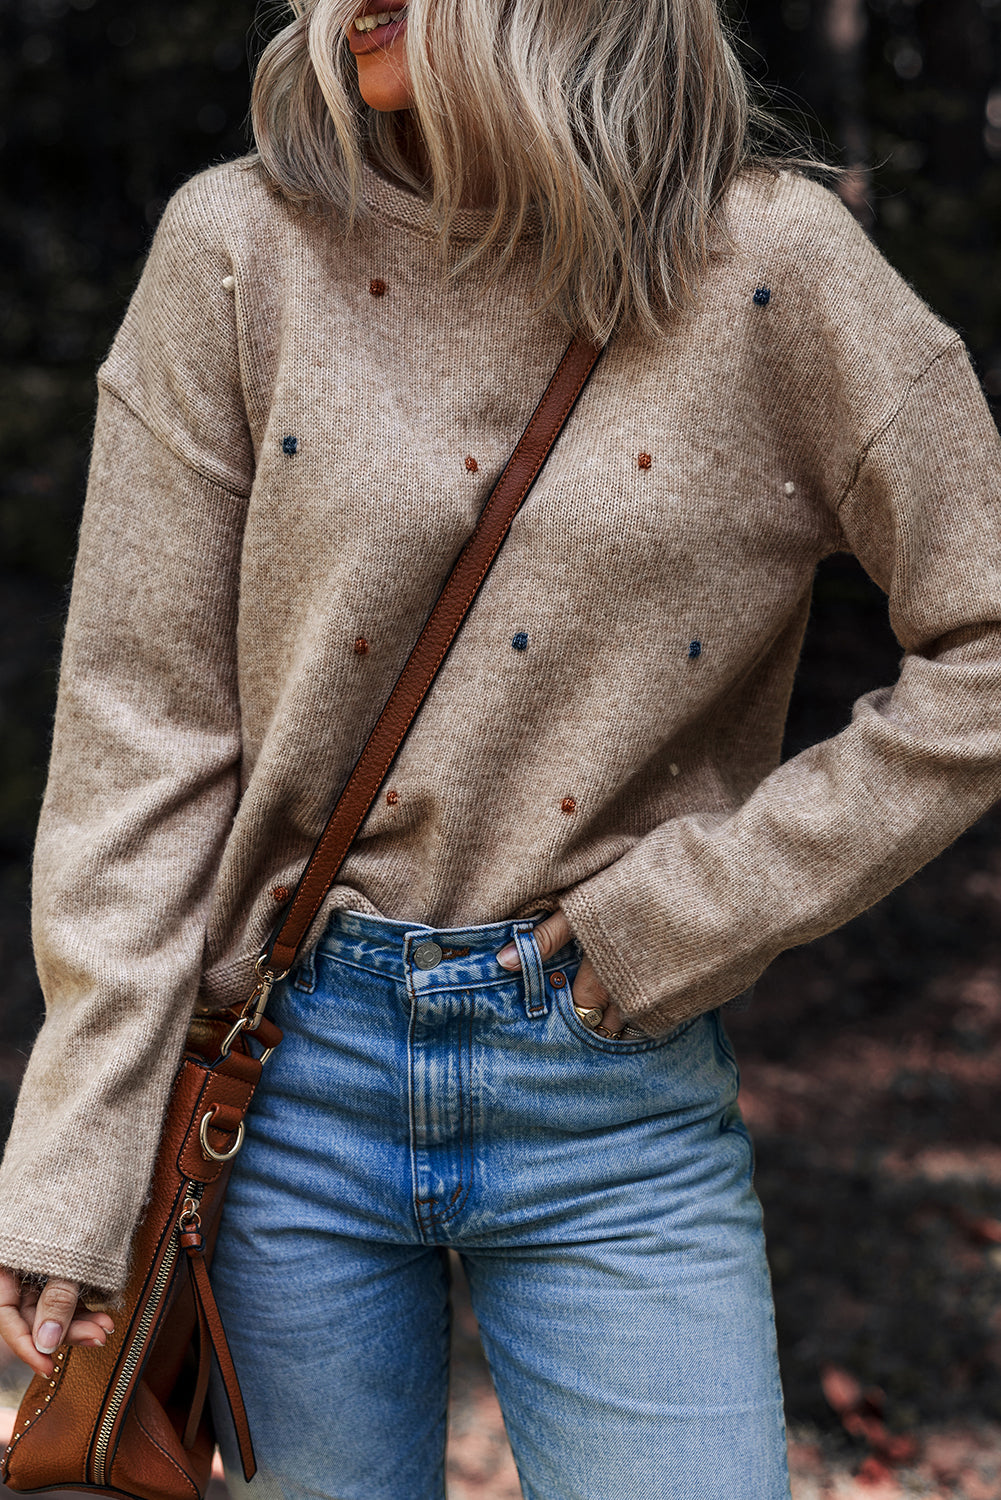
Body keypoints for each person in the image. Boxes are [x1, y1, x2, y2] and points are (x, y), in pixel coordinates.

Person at [2, 0, 1001, 1496]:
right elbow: (141, 731)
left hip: (613, 1102)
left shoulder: (772, 264)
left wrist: (694, 912)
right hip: (281, 1094)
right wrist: (76, 1153)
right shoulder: (238, 245)